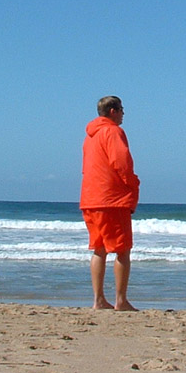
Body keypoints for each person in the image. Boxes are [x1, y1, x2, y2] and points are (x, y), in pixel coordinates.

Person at [79, 95, 140, 311]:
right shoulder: (112, 131)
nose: (123, 113)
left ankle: (98, 299)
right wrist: (133, 184)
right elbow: (121, 163)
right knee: (122, 250)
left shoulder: (90, 136)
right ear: (113, 111)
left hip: (91, 198)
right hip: (111, 199)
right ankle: (120, 300)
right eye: (121, 109)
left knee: (99, 249)